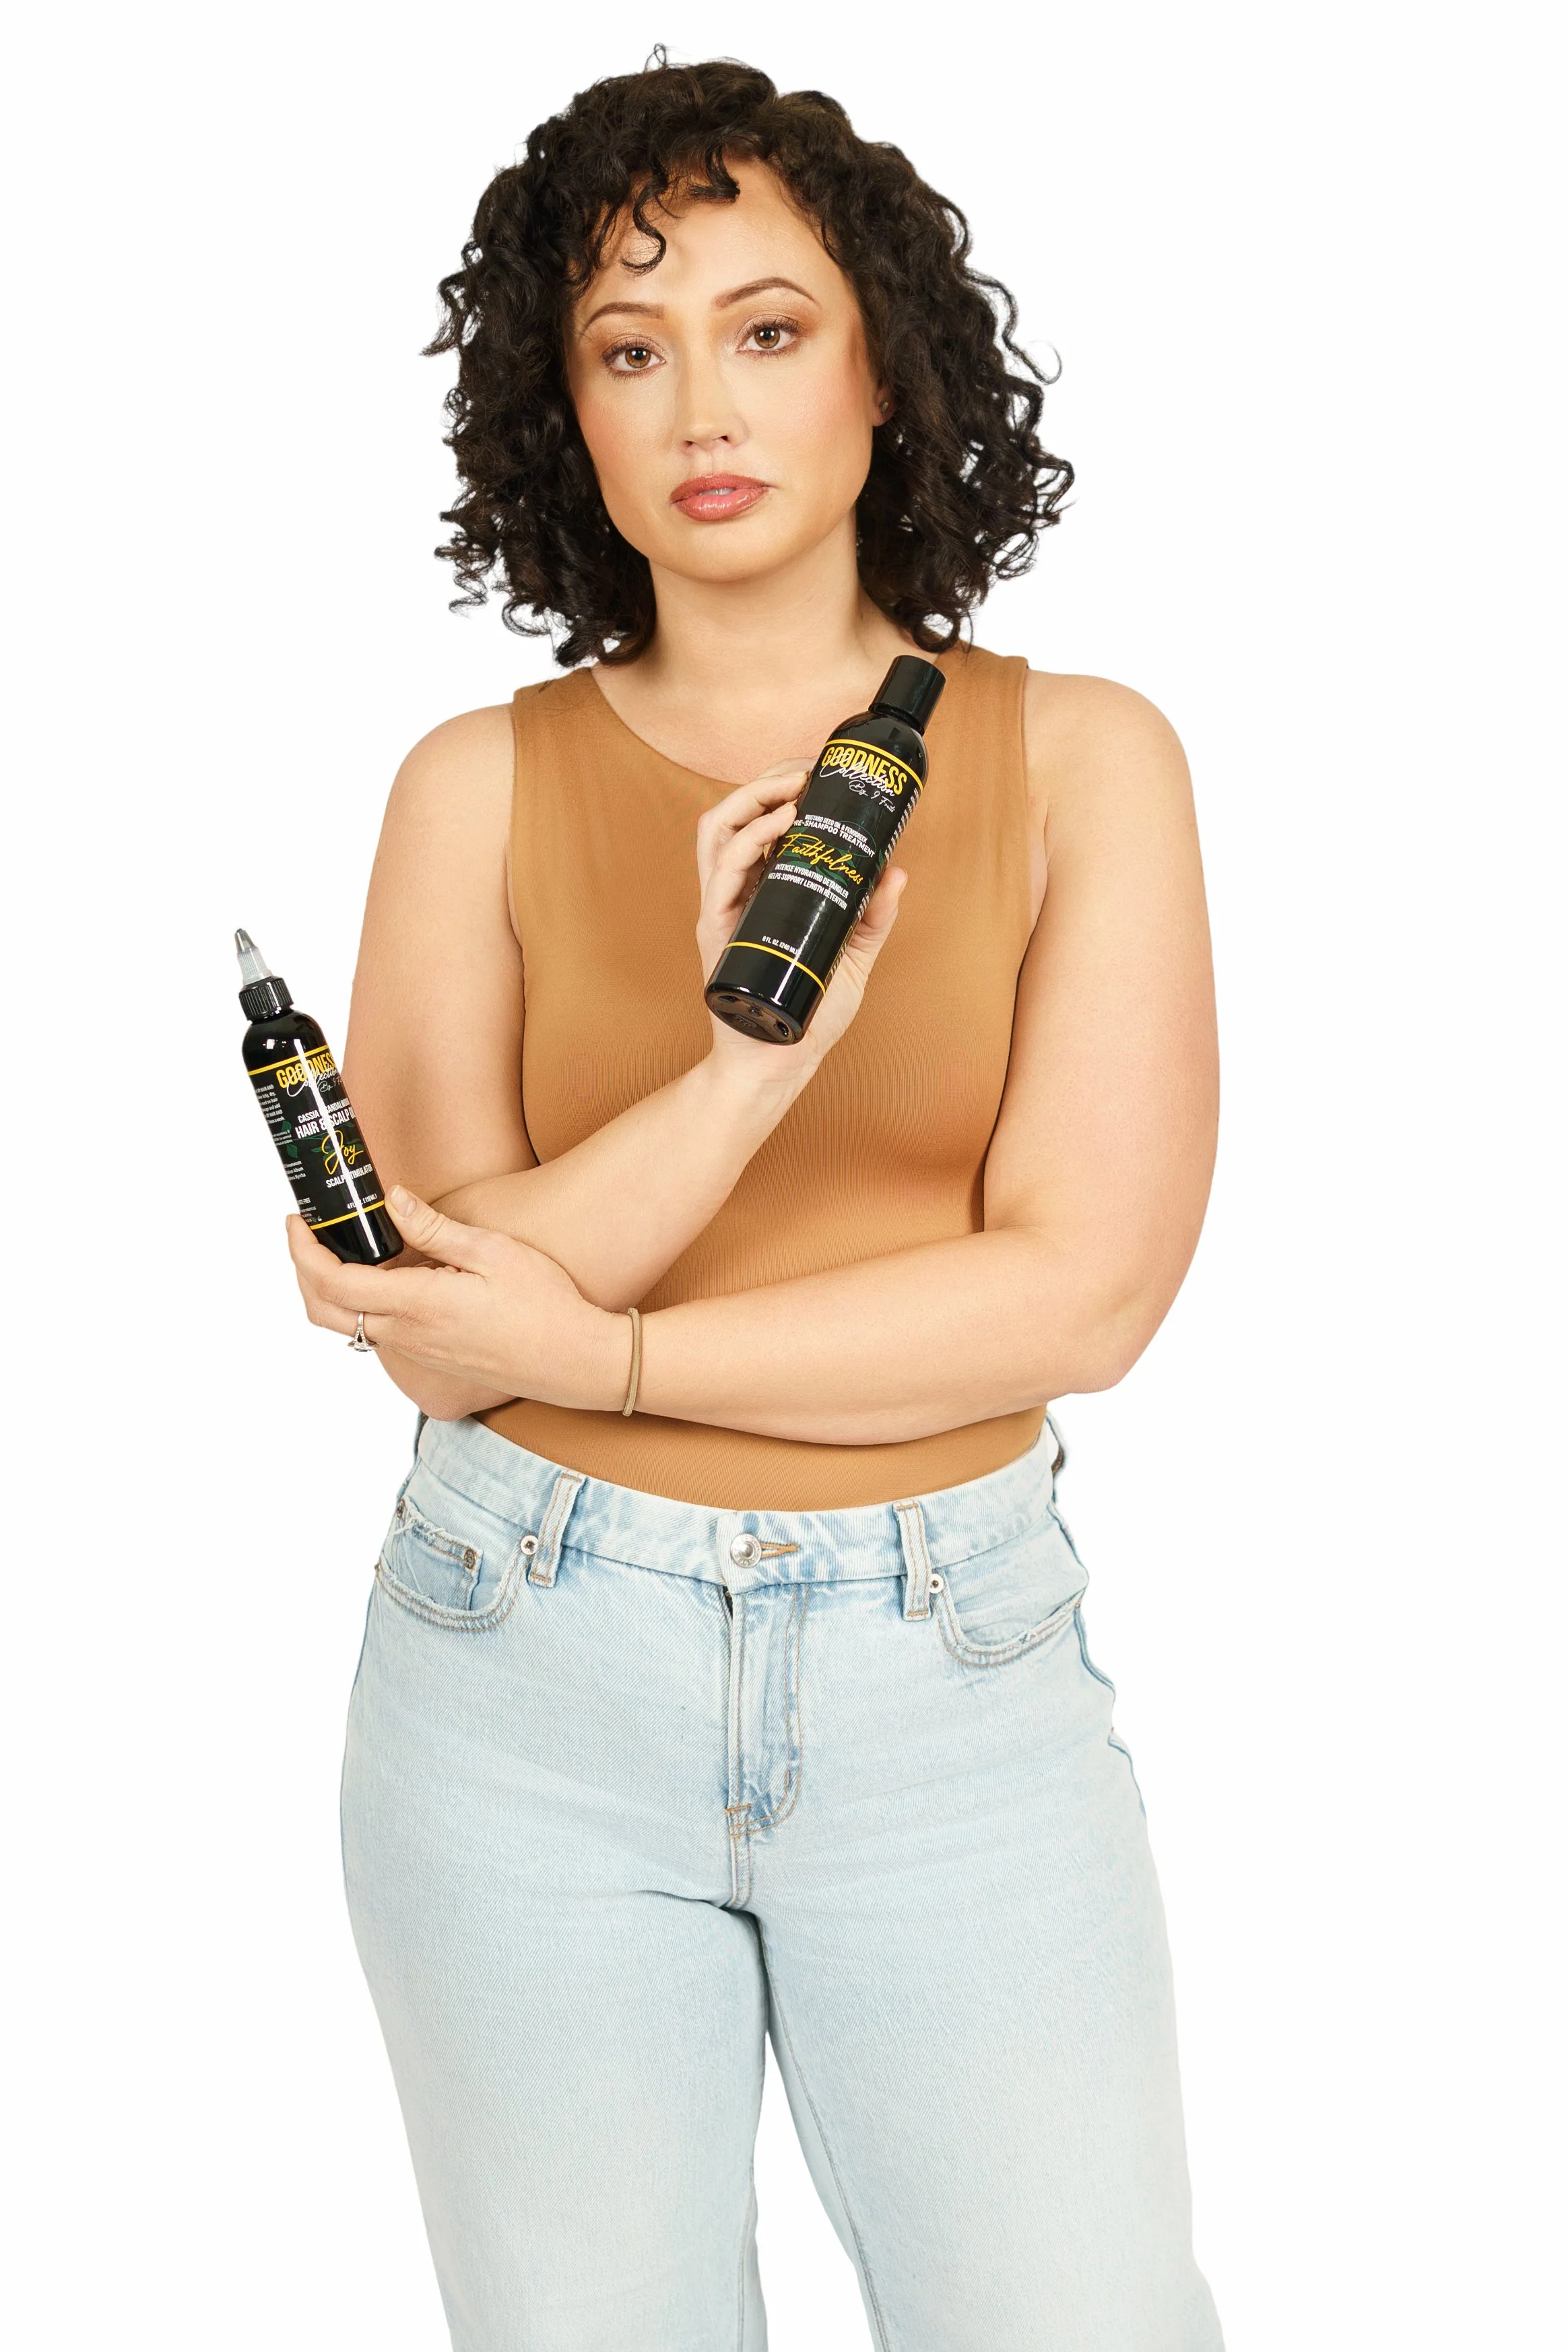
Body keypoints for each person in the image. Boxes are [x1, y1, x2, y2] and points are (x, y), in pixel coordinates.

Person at [288, 57, 1224, 2352]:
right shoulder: (471, 789)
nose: (701, 402)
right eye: (630, 348)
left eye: (768, 328)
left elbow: (1082, 1293)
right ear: (569, 421)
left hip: (951, 1667)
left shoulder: (1082, 757)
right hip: (520, 1671)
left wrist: (604, 1352)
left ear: (887, 369)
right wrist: (751, 1070)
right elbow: (439, 1312)